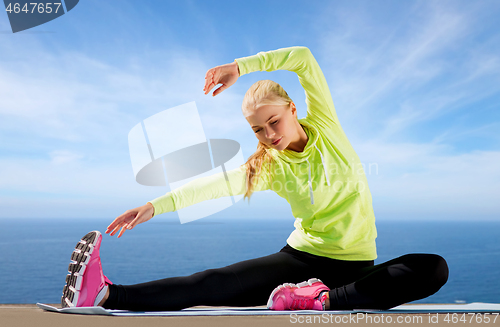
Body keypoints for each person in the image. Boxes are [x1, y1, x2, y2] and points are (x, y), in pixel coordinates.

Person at [61, 46, 449, 311]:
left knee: (433, 267)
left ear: (293, 109)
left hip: (357, 269)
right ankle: (104, 295)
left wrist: (240, 67)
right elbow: (215, 185)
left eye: (274, 121)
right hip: (300, 262)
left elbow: (303, 58)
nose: (269, 135)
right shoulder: (270, 165)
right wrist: (153, 206)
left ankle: (322, 300)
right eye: (258, 130)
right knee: (212, 283)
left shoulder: (327, 126)